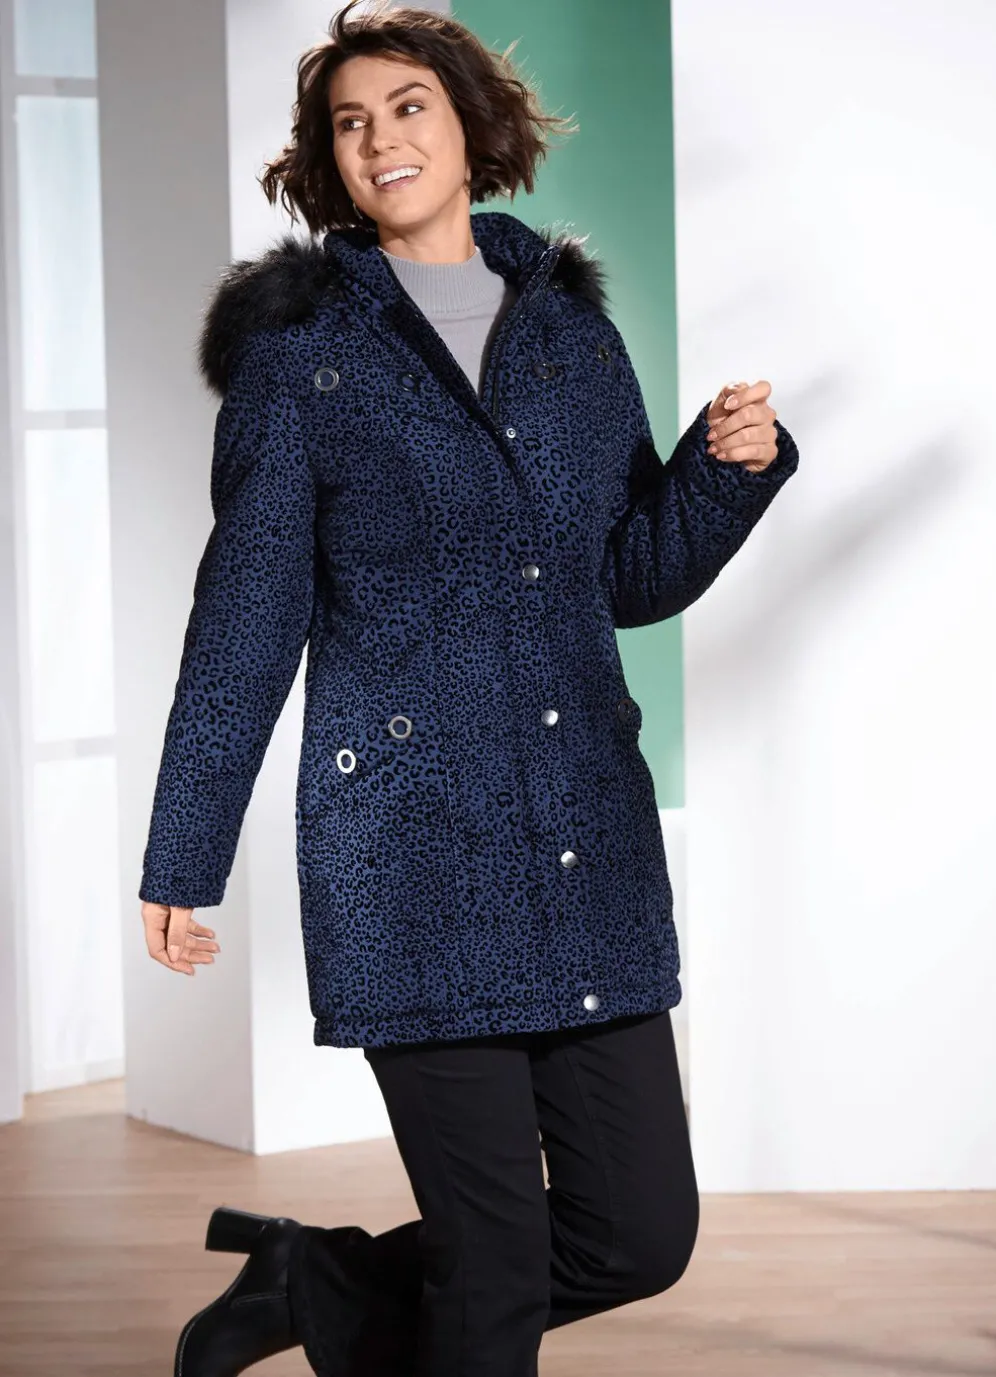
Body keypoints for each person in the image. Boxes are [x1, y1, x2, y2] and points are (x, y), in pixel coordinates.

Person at [138, 4, 800, 1375]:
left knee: (637, 1235)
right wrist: (183, 854)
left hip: (583, 840)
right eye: (349, 121)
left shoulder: (572, 333)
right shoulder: (300, 360)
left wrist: (725, 472)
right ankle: (335, 1291)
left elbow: (626, 578)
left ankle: (310, 1280)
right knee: (492, 1269)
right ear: (328, 160)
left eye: (408, 107)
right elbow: (244, 621)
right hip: (416, 851)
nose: (380, 138)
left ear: (469, 126)